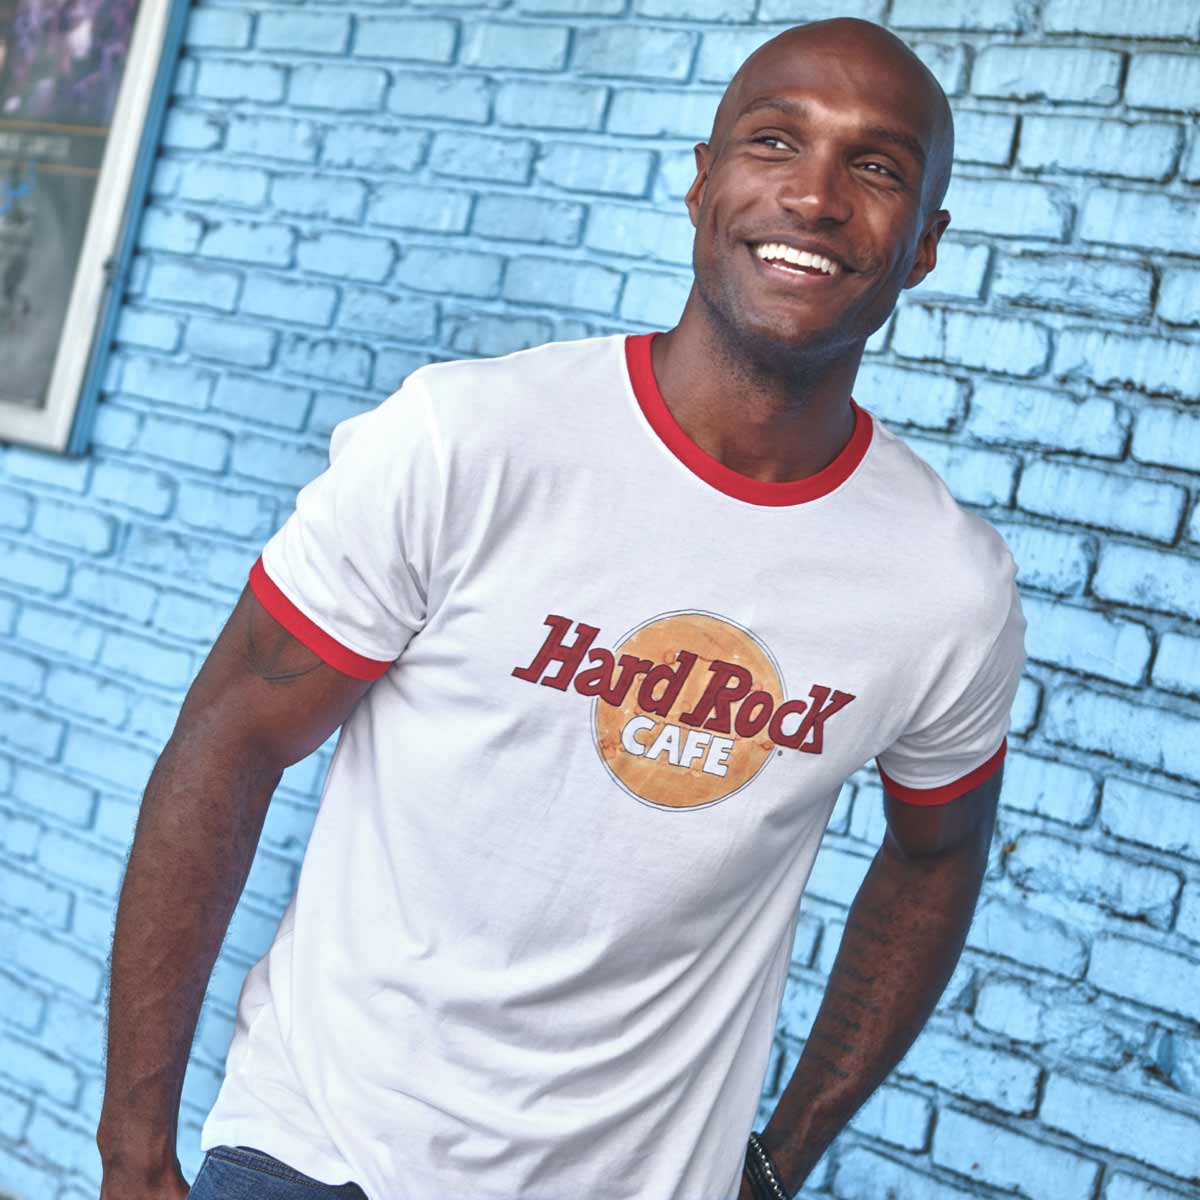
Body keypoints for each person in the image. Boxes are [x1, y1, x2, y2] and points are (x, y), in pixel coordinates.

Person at [97, 15, 1026, 1200]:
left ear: (926, 245)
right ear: (702, 183)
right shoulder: (469, 441)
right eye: (774, 142)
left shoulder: (943, 586)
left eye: (878, 166)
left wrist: (779, 1159)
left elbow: (939, 856)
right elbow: (230, 738)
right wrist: (134, 1152)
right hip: (323, 1157)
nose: (815, 197)